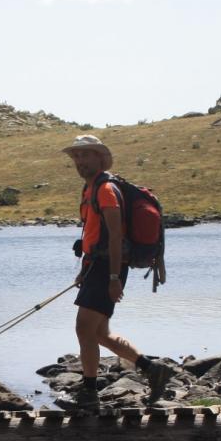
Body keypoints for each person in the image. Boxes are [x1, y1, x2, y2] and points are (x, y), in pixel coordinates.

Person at [64, 134, 173, 411]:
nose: (80, 161)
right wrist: (84, 270)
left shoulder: (106, 189)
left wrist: (113, 278)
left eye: (85, 155)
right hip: (96, 267)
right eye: (76, 156)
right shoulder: (90, 189)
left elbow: (115, 237)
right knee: (100, 333)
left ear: (100, 158)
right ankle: (152, 369)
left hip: (107, 269)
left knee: (83, 328)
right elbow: (94, 235)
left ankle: (89, 394)